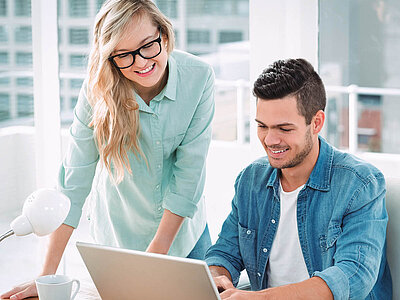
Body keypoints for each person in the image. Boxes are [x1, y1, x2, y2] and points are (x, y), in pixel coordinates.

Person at [2, 0, 214, 299]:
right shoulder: (97, 90)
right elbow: (73, 185)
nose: (141, 62)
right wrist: (46, 276)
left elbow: (189, 175)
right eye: (124, 55)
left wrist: (153, 260)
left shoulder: (199, 77)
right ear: (110, 59)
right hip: (117, 241)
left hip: (182, 238)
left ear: (163, 36)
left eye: (147, 46)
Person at [205, 58, 392, 299]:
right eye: (263, 126)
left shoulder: (360, 184)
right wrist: (216, 277)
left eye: (284, 129)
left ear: (316, 123)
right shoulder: (251, 180)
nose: (270, 140)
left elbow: (354, 275)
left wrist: (259, 298)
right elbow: (225, 253)